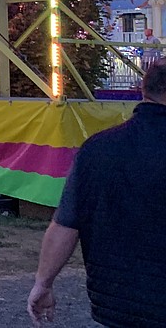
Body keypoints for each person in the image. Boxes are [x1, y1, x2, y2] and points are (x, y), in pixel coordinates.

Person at [27, 63, 166, 327]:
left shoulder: (97, 149)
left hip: (115, 305)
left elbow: (65, 224)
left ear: (141, 91)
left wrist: (43, 283)